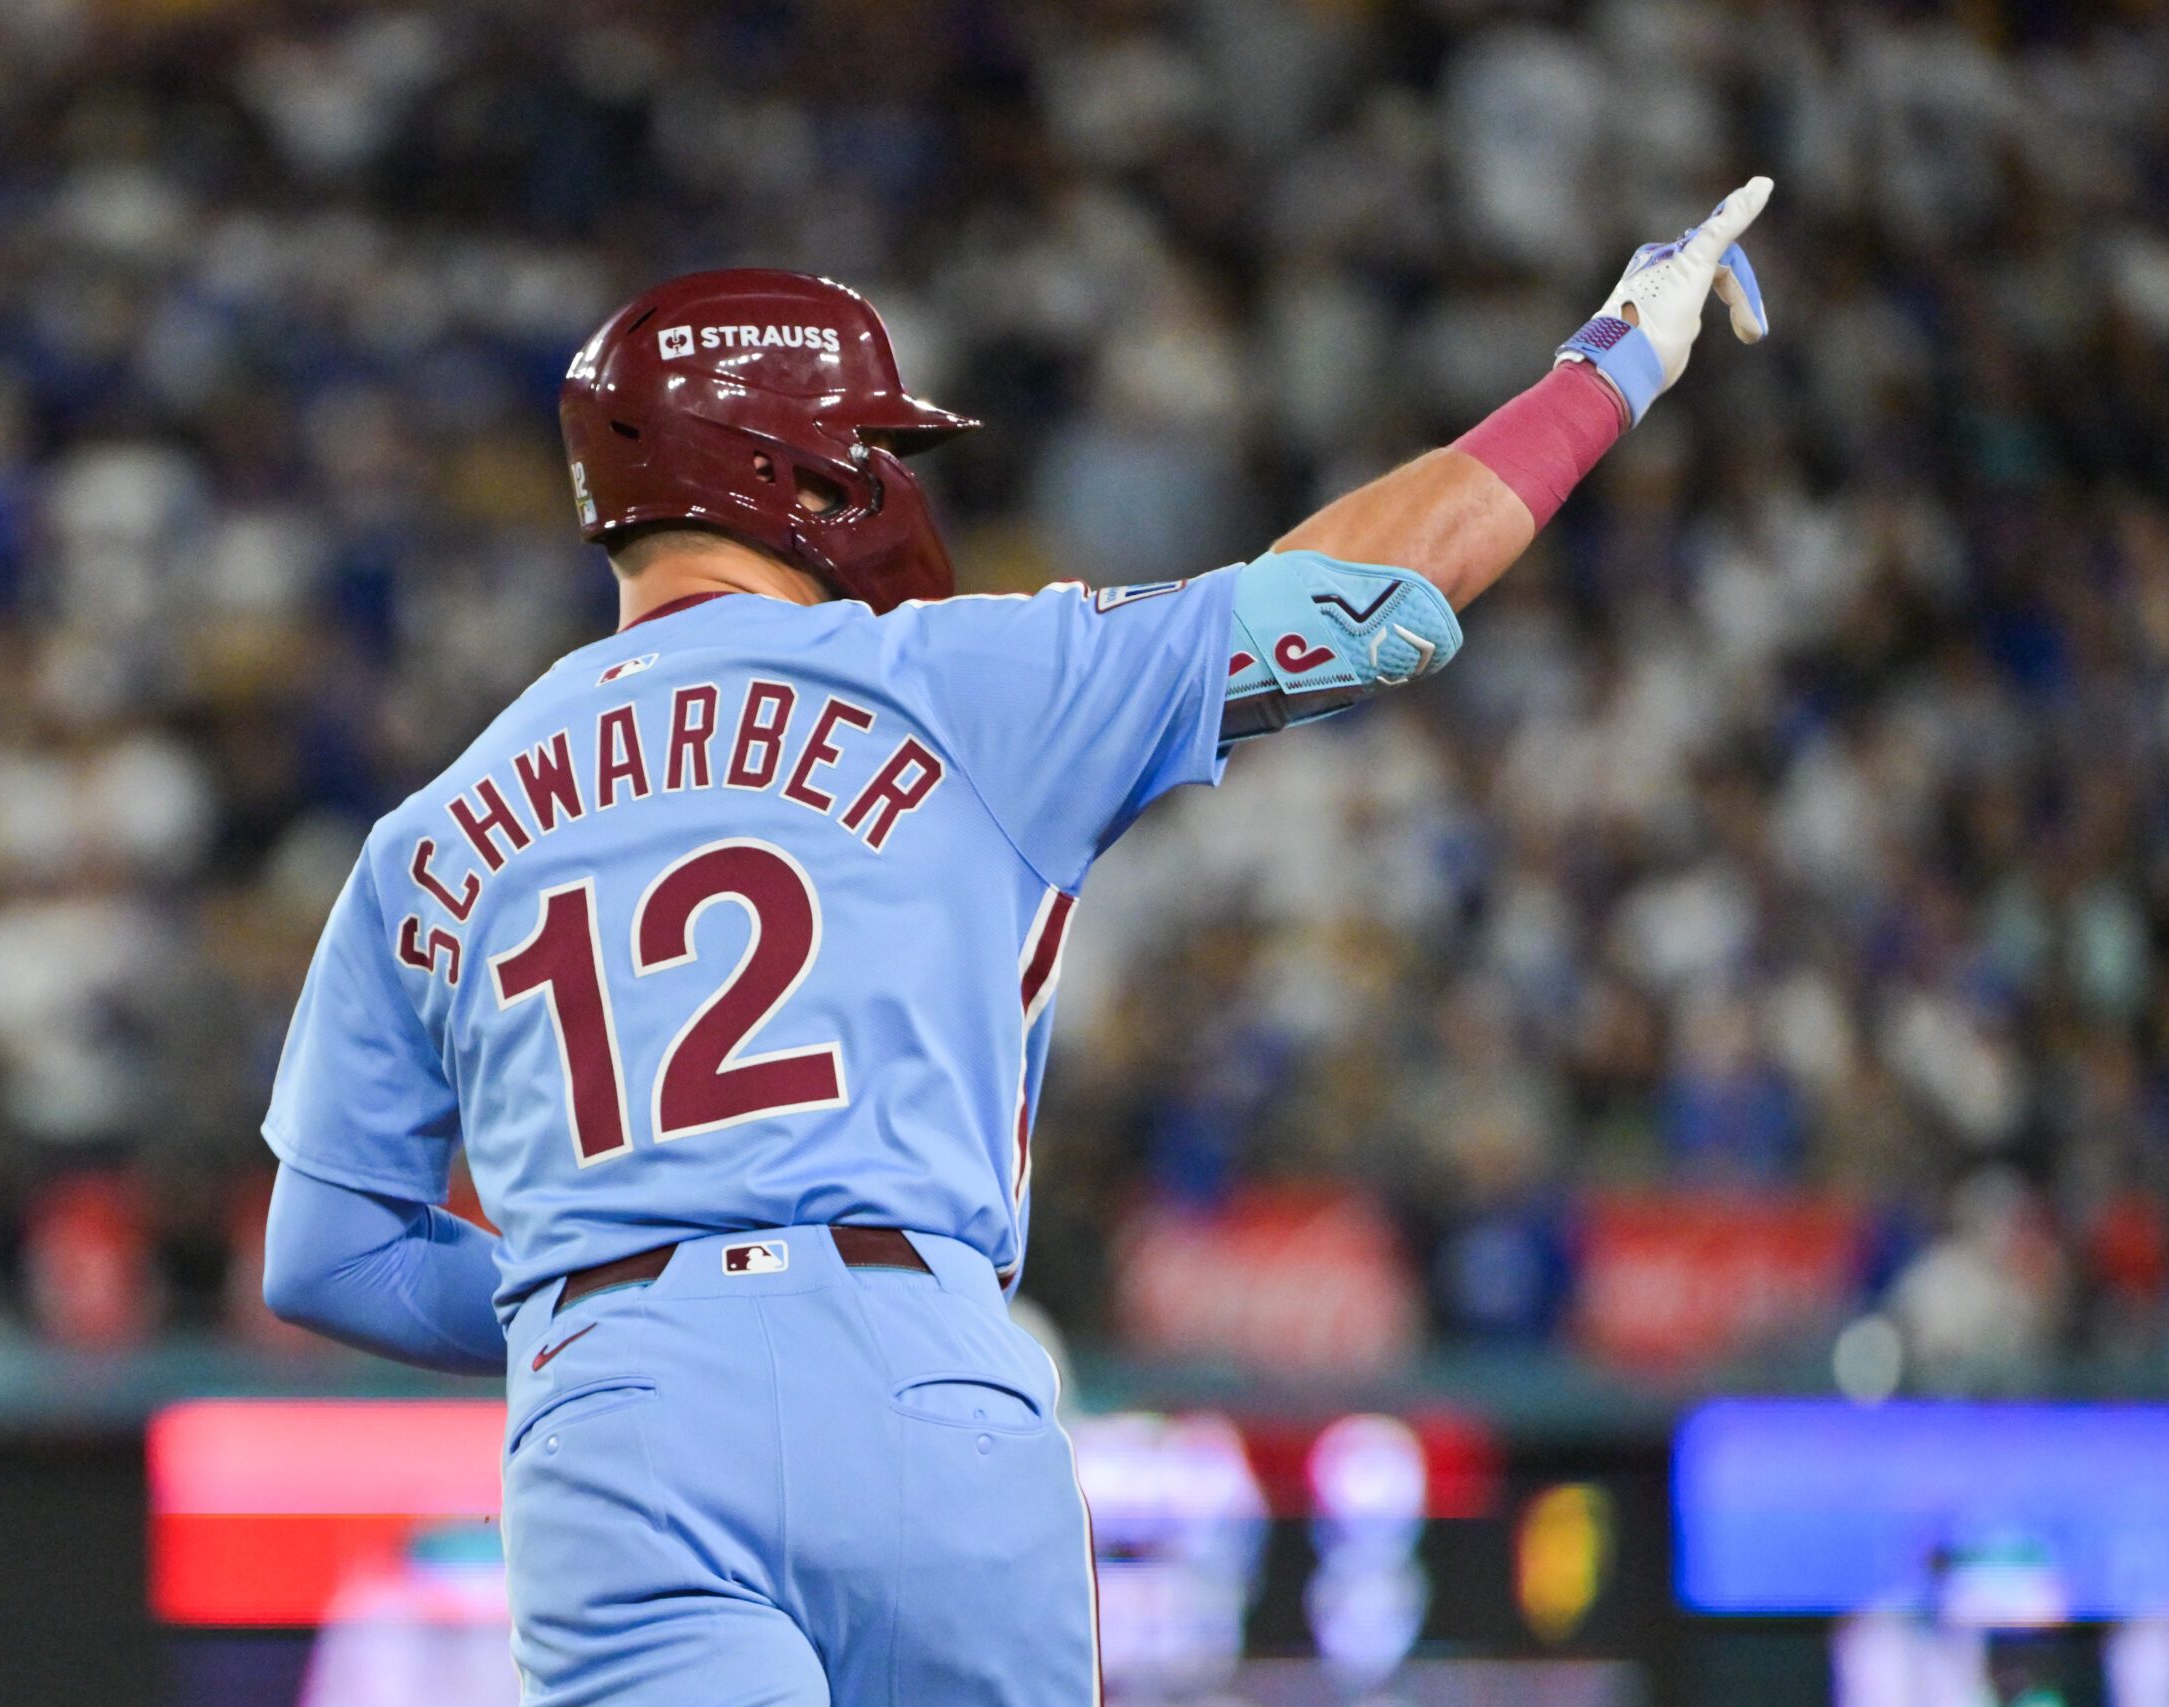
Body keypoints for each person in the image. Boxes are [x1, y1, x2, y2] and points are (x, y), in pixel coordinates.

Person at [258, 180, 1774, 1705]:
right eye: (875, 449)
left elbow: (329, 1259)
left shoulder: (431, 833)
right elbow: (1376, 595)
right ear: (798, 469)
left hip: (613, 1410)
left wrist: (609, 1311)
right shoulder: (965, 678)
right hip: (917, 1372)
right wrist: (1615, 361)